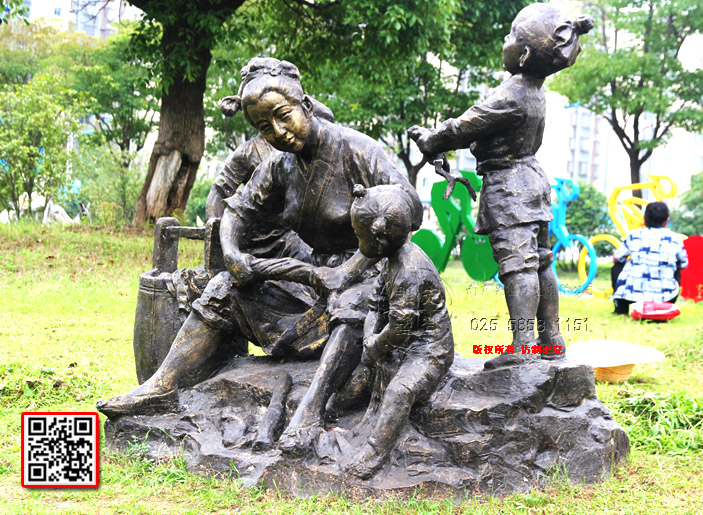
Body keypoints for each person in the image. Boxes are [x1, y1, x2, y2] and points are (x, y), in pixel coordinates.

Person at [97, 58, 423, 455]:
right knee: (225, 288)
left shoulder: (359, 150)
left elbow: (408, 206)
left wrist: (353, 267)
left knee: (353, 304)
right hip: (315, 280)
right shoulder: (280, 166)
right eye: (265, 127)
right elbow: (238, 210)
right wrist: (233, 253)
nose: (279, 132)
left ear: (305, 105)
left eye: (284, 117)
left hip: (372, 280)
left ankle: (311, 411)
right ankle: (162, 386)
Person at [408, 4, 593, 369]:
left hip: (510, 188)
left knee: (518, 267)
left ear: (523, 55)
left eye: (511, 36)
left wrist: (431, 139)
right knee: (541, 261)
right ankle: (551, 339)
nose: (504, 40)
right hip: (534, 183)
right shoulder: (535, 91)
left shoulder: (512, 93)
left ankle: (524, 345)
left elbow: (465, 126)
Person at [342, 184, 454, 479]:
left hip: (429, 349)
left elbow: (399, 330)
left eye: (359, 236)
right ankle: (355, 418)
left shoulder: (409, 271)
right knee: (369, 368)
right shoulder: (389, 261)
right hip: (399, 341)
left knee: (399, 392)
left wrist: (375, 346)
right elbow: (375, 305)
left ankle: (374, 454)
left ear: (379, 239)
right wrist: (370, 341)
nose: (357, 241)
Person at [612, 202, 688, 315]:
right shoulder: (675, 238)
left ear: (644, 218)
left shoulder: (634, 235)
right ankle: (665, 306)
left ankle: (621, 308)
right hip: (666, 297)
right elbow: (683, 264)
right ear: (667, 220)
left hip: (633, 297)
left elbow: (617, 258)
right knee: (676, 266)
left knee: (617, 266)